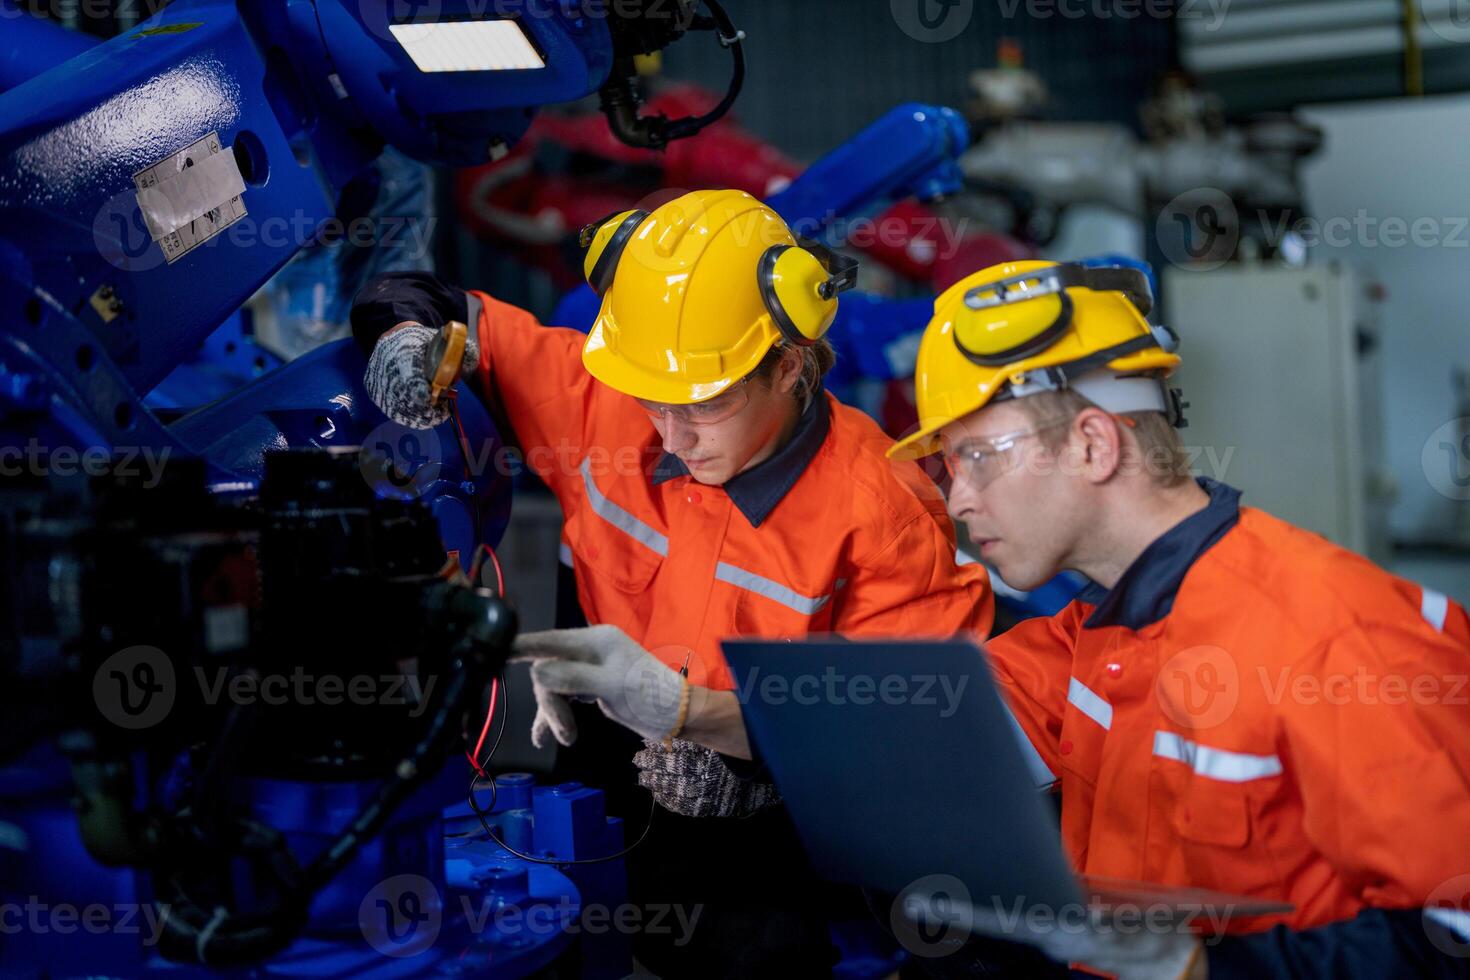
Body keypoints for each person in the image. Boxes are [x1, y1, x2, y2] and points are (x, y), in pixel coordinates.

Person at [522, 259, 1470, 978]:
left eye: (975, 456)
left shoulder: (1335, 638)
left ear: (1094, 442)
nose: (953, 497)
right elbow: (897, 729)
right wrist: (672, 703)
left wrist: (1198, 966)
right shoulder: (1089, 639)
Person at [351, 189, 993, 976]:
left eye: (706, 405)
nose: (670, 432)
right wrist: (406, 340)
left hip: (772, 821)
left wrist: (732, 735)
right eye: (656, 400)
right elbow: (437, 305)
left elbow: (917, 726)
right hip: (597, 768)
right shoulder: (603, 406)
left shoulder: (884, 512)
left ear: (789, 366)